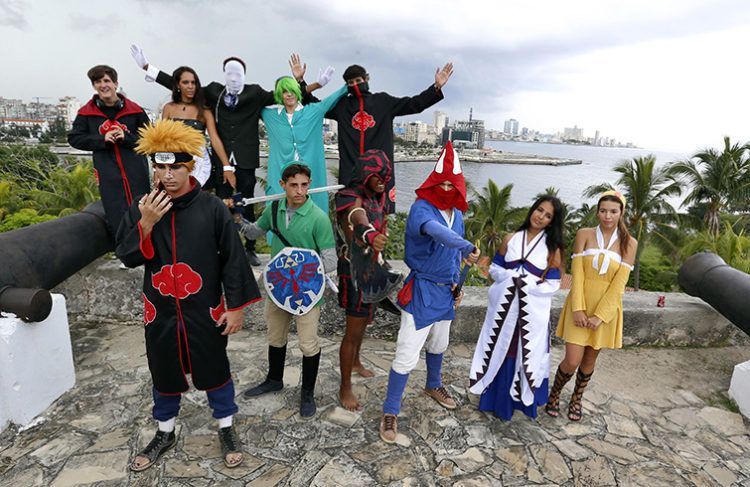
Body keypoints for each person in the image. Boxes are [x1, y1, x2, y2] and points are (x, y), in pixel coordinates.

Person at [115, 119, 261, 471]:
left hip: (204, 309)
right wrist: (146, 223)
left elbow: (233, 259)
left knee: (215, 368)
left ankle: (226, 427)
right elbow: (127, 254)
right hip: (161, 311)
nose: (167, 175)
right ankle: (165, 432)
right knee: (163, 369)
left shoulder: (212, 209)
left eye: (175, 167)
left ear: (189, 166)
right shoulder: (143, 206)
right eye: (160, 166)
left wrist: (237, 308)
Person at [130, 45, 332, 265]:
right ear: (224, 75)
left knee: (247, 201)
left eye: (238, 74)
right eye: (230, 74)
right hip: (221, 160)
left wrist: (309, 83)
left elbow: (286, 96)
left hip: (246, 159)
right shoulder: (215, 92)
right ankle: (223, 247)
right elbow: (184, 87)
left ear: (244, 76)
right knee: (220, 204)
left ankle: (250, 248)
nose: (234, 78)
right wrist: (148, 68)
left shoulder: (255, 93)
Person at [379, 142, 480, 443]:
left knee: (439, 344)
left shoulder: (457, 214)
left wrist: (455, 284)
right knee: (406, 353)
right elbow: (436, 231)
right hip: (421, 290)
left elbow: (452, 254)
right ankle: (390, 410)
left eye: (452, 184)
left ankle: (433, 384)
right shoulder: (422, 209)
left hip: (445, 293)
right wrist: (465, 246)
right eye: (442, 183)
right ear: (434, 182)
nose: (447, 188)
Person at [235, 163, 336, 417]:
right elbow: (254, 231)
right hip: (279, 289)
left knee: (308, 345)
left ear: (309, 184)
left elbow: (330, 261)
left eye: (304, 185)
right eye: (293, 185)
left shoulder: (318, 218)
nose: (299, 191)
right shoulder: (274, 209)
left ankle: (307, 393)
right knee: (275, 337)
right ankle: (274, 379)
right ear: (283, 185)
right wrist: (237, 217)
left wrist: (301, 271)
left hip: (307, 293)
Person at [468, 196, 565, 421]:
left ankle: (516, 403)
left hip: (529, 314)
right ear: (532, 209)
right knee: (499, 347)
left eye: (548, 215)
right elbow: (494, 269)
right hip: (504, 310)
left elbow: (552, 284)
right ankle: (493, 399)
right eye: (539, 210)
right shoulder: (511, 238)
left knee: (523, 352)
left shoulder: (553, 250)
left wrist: (526, 284)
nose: (541, 216)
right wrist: (511, 277)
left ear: (552, 221)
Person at [548, 190, 637, 421]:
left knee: (589, 360)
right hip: (580, 303)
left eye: (613, 211)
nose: (608, 215)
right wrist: (578, 308)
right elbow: (576, 274)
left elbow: (619, 284)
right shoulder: (584, 234)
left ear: (621, 213)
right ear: (597, 212)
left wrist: (600, 316)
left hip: (605, 310)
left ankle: (577, 398)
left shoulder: (630, 243)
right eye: (603, 210)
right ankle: (555, 393)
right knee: (572, 360)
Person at [318, 62, 453, 214]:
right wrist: (307, 84)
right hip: (351, 176)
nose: (355, 85)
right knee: (351, 220)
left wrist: (435, 88)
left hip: (379, 176)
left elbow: (413, 104)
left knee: (379, 219)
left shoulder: (383, 102)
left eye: (358, 81)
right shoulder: (342, 106)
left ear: (367, 79)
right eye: (350, 83)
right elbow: (315, 108)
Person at [334, 150, 394, 411]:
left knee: (366, 323)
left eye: (386, 175)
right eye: (377, 175)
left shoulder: (379, 197)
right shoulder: (349, 196)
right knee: (353, 331)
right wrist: (370, 235)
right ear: (364, 174)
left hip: (373, 270)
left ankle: (356, 362)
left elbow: (382, 222)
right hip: (354, 273)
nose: (383, 179)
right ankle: (344, 387)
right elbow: (358, 218)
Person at [68, 64, 150, 238]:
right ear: (94, 86)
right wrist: (101, 140)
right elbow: (74, 138)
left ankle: (148, 248)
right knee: (115, 211)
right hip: (107, 172)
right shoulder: (86, 113)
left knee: (142, 206)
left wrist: (126, 137)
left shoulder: (135, 110)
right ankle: (124, 251)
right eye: (98, 81)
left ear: (115, 83)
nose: (103, 85)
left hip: (136, 170)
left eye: (107, 80)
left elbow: (151, 139)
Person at [262, 77, 346, 213]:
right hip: (281, 177)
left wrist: (349, 83)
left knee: (314, 213)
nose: (289, 94)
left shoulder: (314, 111)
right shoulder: (269, 115)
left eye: (292, 90)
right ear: (279, 95)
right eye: (284, 91)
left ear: (297, 91)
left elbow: (335, 96)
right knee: (277, 214)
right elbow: (251, 102)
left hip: (310, 177)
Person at [158, 66, 235, 189]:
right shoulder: (169, 108)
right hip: (173, 163)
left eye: (193, 82)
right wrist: (158, 168)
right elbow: (162, 141)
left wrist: (227, 167)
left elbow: (214, 139)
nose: (190, 86)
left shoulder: (204, 111)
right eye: (185, 82)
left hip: (198, 164)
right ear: (178, 85)